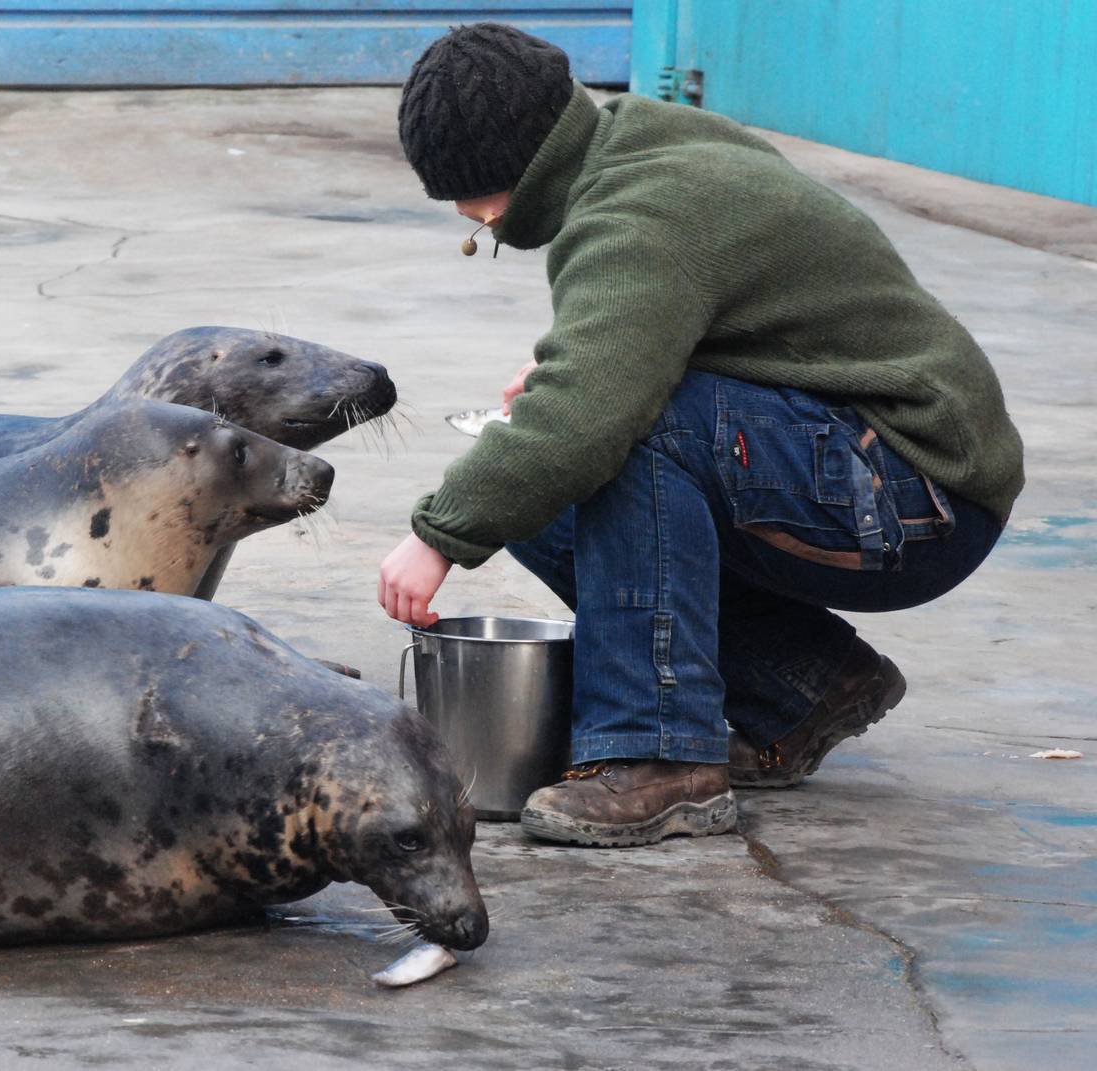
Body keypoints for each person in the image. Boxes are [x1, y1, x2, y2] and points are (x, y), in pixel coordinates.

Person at [378, 23, 1024, 848]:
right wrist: (576, 375)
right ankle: (802, 688)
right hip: (885, 462)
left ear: (514, 173)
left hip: (918, 485)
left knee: (616, 434)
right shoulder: (641, 139)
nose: (473, 219)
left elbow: (590, 414)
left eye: (471, 200)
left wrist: (436, 537)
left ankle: (657, 757)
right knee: (534, 490)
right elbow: (682, 320)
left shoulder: (636, 213)